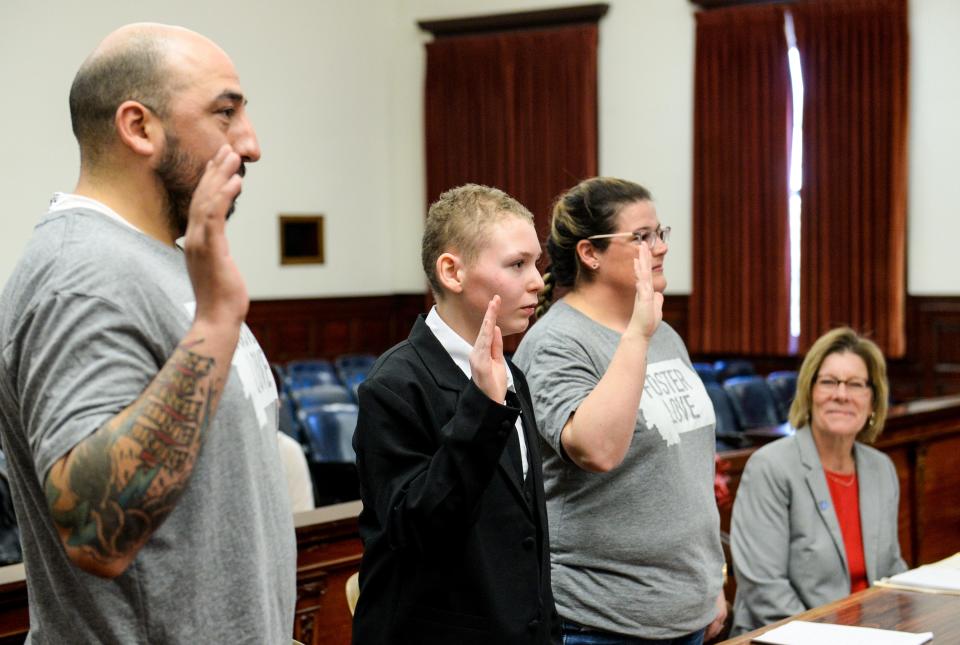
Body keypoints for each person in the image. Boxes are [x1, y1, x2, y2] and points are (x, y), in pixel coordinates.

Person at [0, 24, 296, 643]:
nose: (251, 143)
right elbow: (94, 532)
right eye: (226, 112)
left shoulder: (166, 259)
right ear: (138, 127)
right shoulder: (81, 274)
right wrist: (217, 323)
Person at [513, 177, 727, 645]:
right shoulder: (556, 343)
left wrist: (710, 582)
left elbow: (684, 473)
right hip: (600, 619)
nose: (661, 247)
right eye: (642, 236)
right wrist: (636, 335)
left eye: (661, 233)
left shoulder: (663, 333)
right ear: (590, 253)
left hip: (685, 609)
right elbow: (597, 449)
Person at [352, 184, 560, 645]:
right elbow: (416, 530)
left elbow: (526, 532)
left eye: (537, 264)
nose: (537, 282)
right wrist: (482, 410)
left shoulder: (512, 373)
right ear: (452, 271)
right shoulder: (394, 384)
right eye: (517, 264)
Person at [729, 327, 907, 635]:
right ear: (809, 393)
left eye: (855, 384)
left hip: (871, 633)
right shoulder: (770, 467)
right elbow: (765, 591)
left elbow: (891, 569)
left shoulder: (881, 469)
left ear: (873, 400)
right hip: (787, 635)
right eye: (828, 382)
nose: (841, 394)